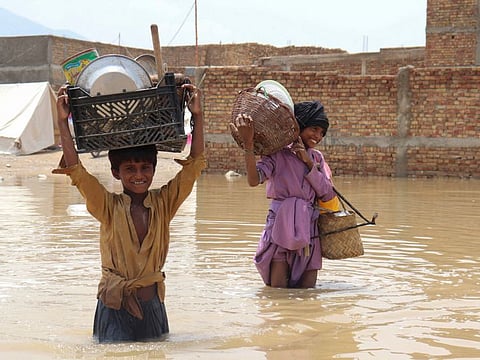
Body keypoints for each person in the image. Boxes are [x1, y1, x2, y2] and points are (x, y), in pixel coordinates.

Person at [53, 83, 206, 343]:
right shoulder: (107, 206)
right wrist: (62, 122)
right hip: (114, 307)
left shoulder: (164, 203)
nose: (138, 175)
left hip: (153, 307)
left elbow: (194, 166)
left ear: (154, 169)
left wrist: (198, 117)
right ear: (116, 173)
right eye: (130, 169)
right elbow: (76, 171)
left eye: (145, 168)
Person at [230, 100, 339, 288]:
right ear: (300, 126)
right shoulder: (277, 154)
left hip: (310, 230)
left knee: (308, 292)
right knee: (278, 293)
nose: (318, 136)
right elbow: (254, 180)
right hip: (280, 226)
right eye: (314, 129)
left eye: (322, 133)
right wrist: (248, 144)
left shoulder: (316, 158)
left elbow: (327, 194)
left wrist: (307, 162)